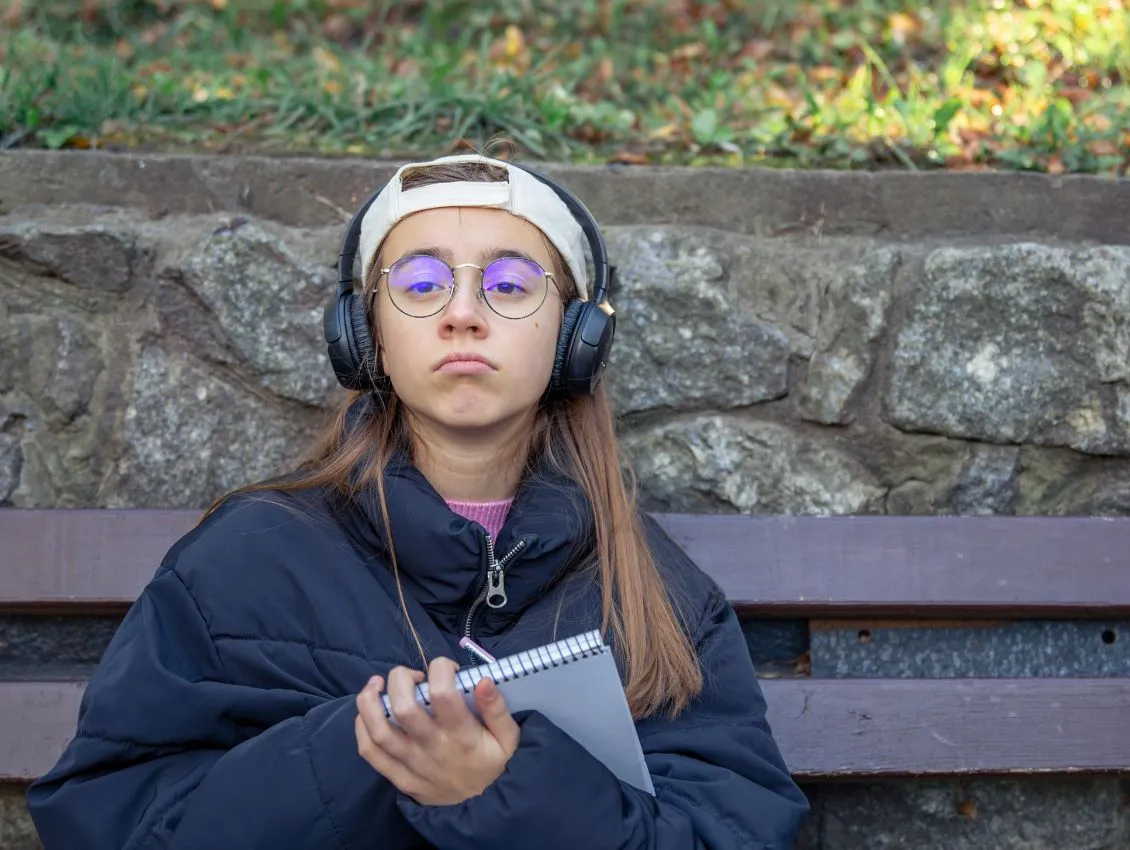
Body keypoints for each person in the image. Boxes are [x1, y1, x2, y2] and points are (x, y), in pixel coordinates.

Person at [26, 153, 809, 849]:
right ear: (366, 336)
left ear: (576, 338)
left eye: (508, 284)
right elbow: (112, 818)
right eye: (422, 283)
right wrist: (371, 755)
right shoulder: (242, 560)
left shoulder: (654, 595)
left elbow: (730, 828)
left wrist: (506, 795)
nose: (462, 313)